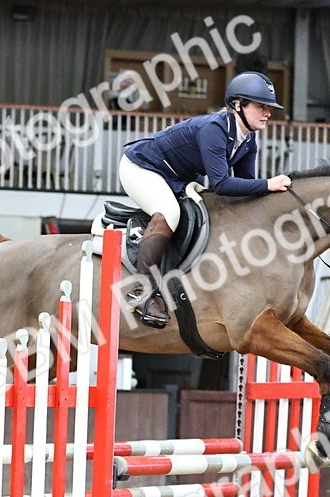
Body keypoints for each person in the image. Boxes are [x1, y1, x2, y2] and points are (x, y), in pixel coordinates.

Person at [118, 71, 292, 328]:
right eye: (260, 106)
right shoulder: (214, 129)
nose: (268, 113)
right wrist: (269, 184)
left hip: (177, 177)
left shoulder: (248, 141)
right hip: (142, 168)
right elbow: (221, 184)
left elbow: (245, 190)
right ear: (237, 105)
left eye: (269, 107)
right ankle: (141, 290)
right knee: (170, 212)